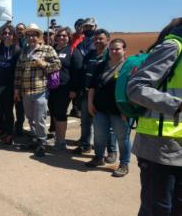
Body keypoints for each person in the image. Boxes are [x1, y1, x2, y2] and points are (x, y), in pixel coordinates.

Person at [127, 18, 182, 215]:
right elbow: (135, 87)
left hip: (178, 146)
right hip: (160, 146)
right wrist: (177, 105)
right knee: (158, 209)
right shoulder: (173, 47)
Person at [14, 23, 61, 157]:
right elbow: (18, 71)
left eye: (34, 35)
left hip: (41, 90)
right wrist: (16, 90)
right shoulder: (24, 51)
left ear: (39, 37)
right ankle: (35, 138)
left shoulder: (47, 49)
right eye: (29, 35)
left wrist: (43, 64)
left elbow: (57, 65)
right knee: (30, 118)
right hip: (26, 91)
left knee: (39, 118)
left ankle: (42, 142)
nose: (31, 38)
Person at [86, 38, 130, 177]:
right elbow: (92, 86)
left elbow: (133, 90)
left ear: (124, 50)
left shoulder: (128, 67)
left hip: (120, 110)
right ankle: (98, 158)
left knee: (123, 138)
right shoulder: (101, 65)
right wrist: (90, 102)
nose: (114, 51)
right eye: (112, 49)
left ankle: (124, 164)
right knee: (99, 136)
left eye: (117, 49)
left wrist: (128, 110)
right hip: (100, 108)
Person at [73, 28, 117, 162]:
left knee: (108, 127)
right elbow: (82, 72)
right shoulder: (90, 54)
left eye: (101, 39)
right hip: (87, 94)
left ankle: (111, 152)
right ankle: (85, 145)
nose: (97, 41)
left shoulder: (111, 55)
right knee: (85, 122)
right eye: (96, 39)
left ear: (107, 40)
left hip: (103, 98)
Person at [48, 27, 82, 151]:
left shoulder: (73, 51)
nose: (62, 38)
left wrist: (74, 90)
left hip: (65, 89)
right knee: (54, 114)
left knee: (61, 113)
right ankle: (58, 138)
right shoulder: (52, 50)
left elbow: (77, 72)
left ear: (69, 37)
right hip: (51, 88)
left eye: (64, 36)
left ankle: (61, 142)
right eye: (59, 36)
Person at [0, 24, 21, 145]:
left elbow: (19, 69)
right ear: (1, 36)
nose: (7, 35)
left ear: (13, 36)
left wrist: (17, 88)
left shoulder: (17, 50)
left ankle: (9, 133)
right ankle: (2, 129)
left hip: (10, 86)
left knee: (8, 110)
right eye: (5, 33)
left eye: (9, 33)